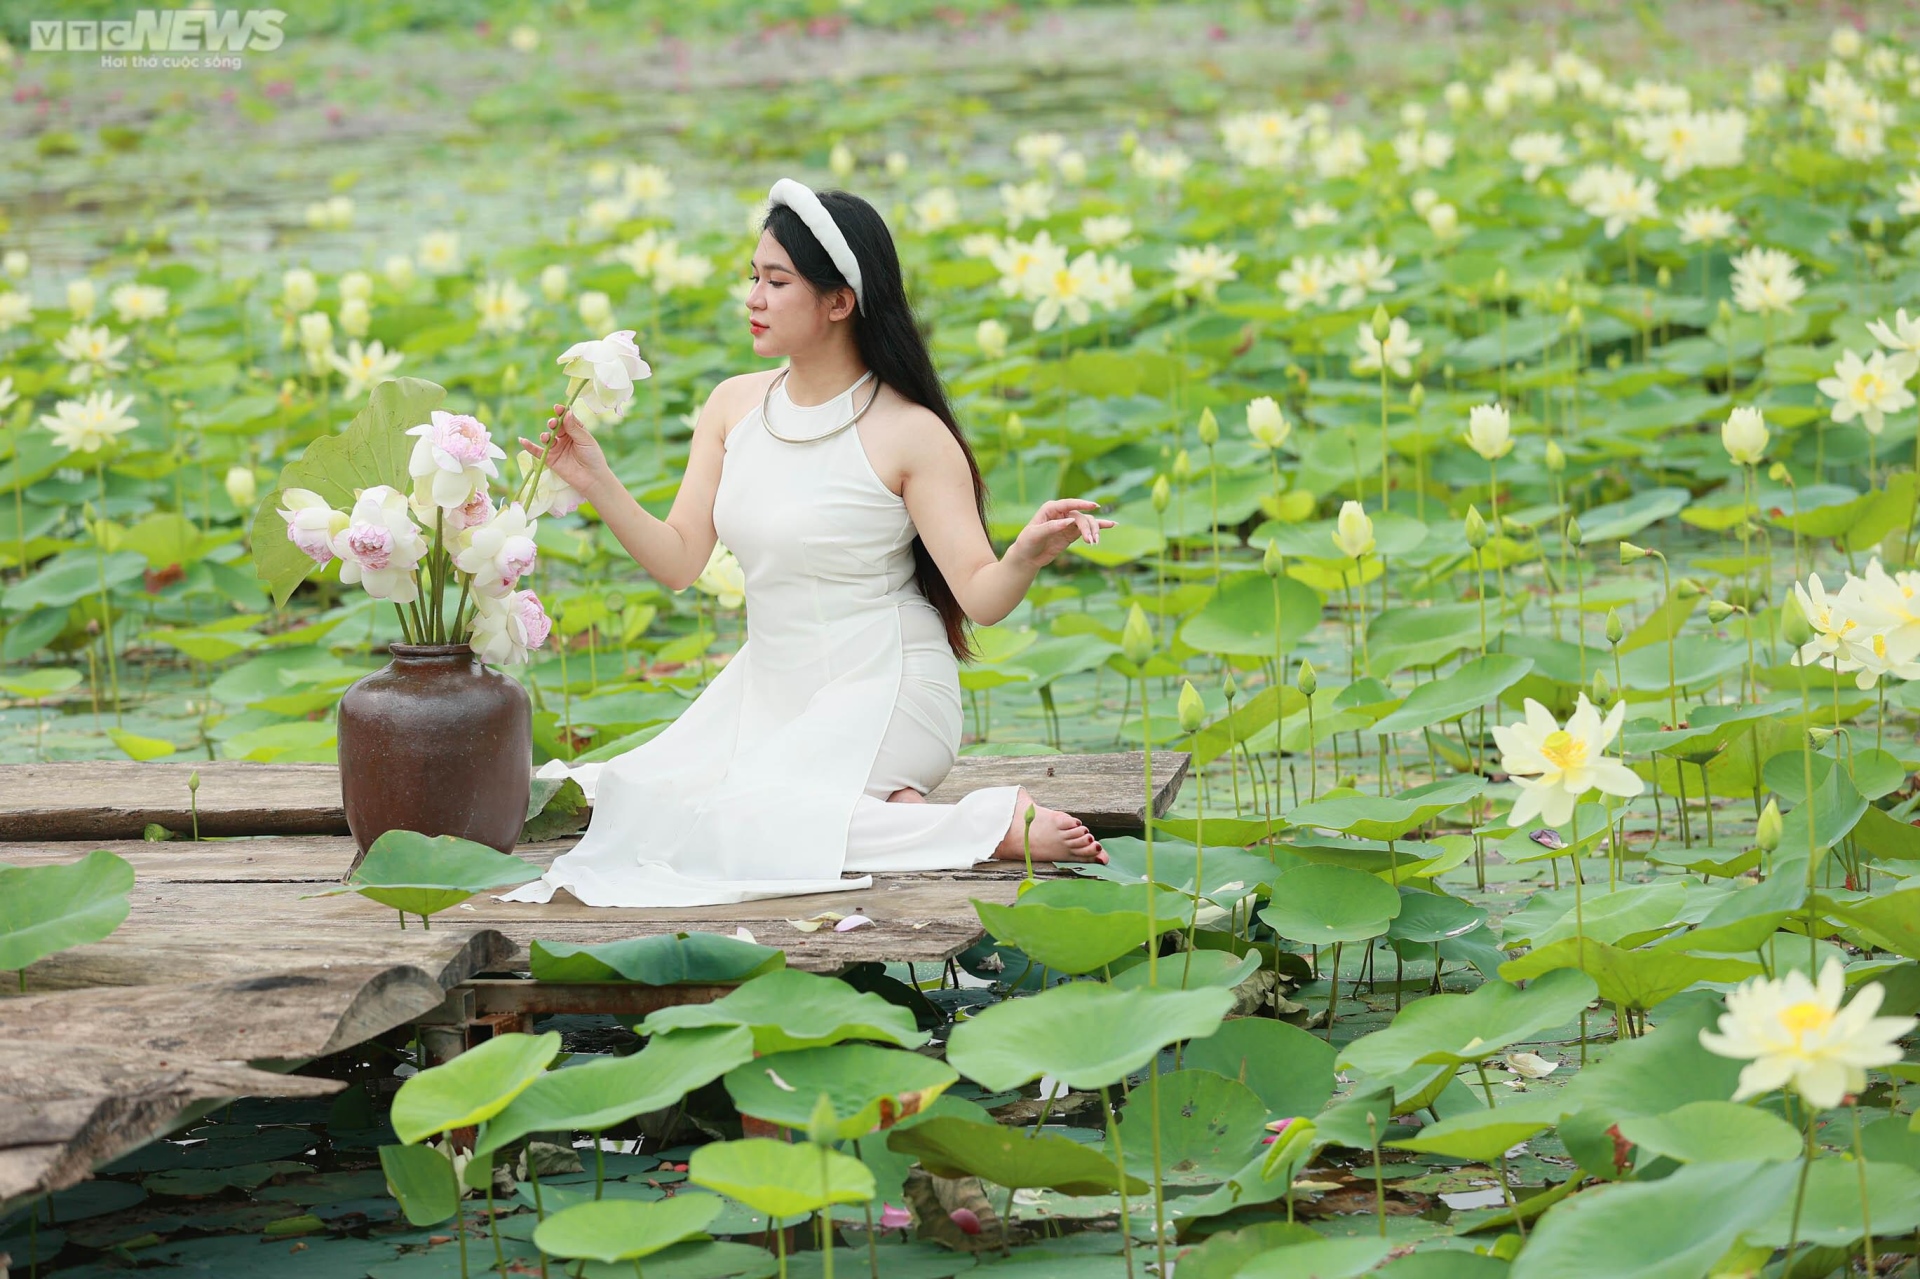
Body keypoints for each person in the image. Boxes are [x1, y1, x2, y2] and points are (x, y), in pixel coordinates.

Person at [500, 178, 1116, 908]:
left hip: (889, 685)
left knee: (741, 822)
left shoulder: (910, 431)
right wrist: (597, 478)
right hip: (770, 693)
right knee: (641, 800)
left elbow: (980, 597)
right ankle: (900, 813)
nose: (753, 297)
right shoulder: (734, 406)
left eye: (776, 280)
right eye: (753, 278)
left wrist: (1023, 555)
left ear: (839, 300)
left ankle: (989, 823)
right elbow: (678, 561)